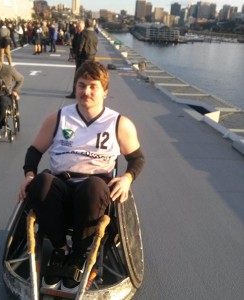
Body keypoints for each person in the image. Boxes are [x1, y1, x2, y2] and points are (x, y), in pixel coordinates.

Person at [18, 61, 144, 292]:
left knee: (93, 186)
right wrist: (29, 175)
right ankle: (60, 249)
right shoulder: (58, 118)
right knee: (41, 183)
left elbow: (137, 159)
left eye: (93, 86)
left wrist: (127, 178)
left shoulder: (118, 123)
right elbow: (34, 151)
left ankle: (79, 253)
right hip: (61, 183)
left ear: (105, 91)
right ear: (75, 87)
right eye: (81, 85)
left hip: (94, 189)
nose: (86, 91)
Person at [66, 18, 97, 99]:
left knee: (78, 75)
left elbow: (80, 46)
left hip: (83, 58)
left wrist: (77, 54)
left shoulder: (84, 33)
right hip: (92, 57)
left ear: (85, 24)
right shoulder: (94, 33)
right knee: (89, 76)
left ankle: (75, 93)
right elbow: (96, 46)